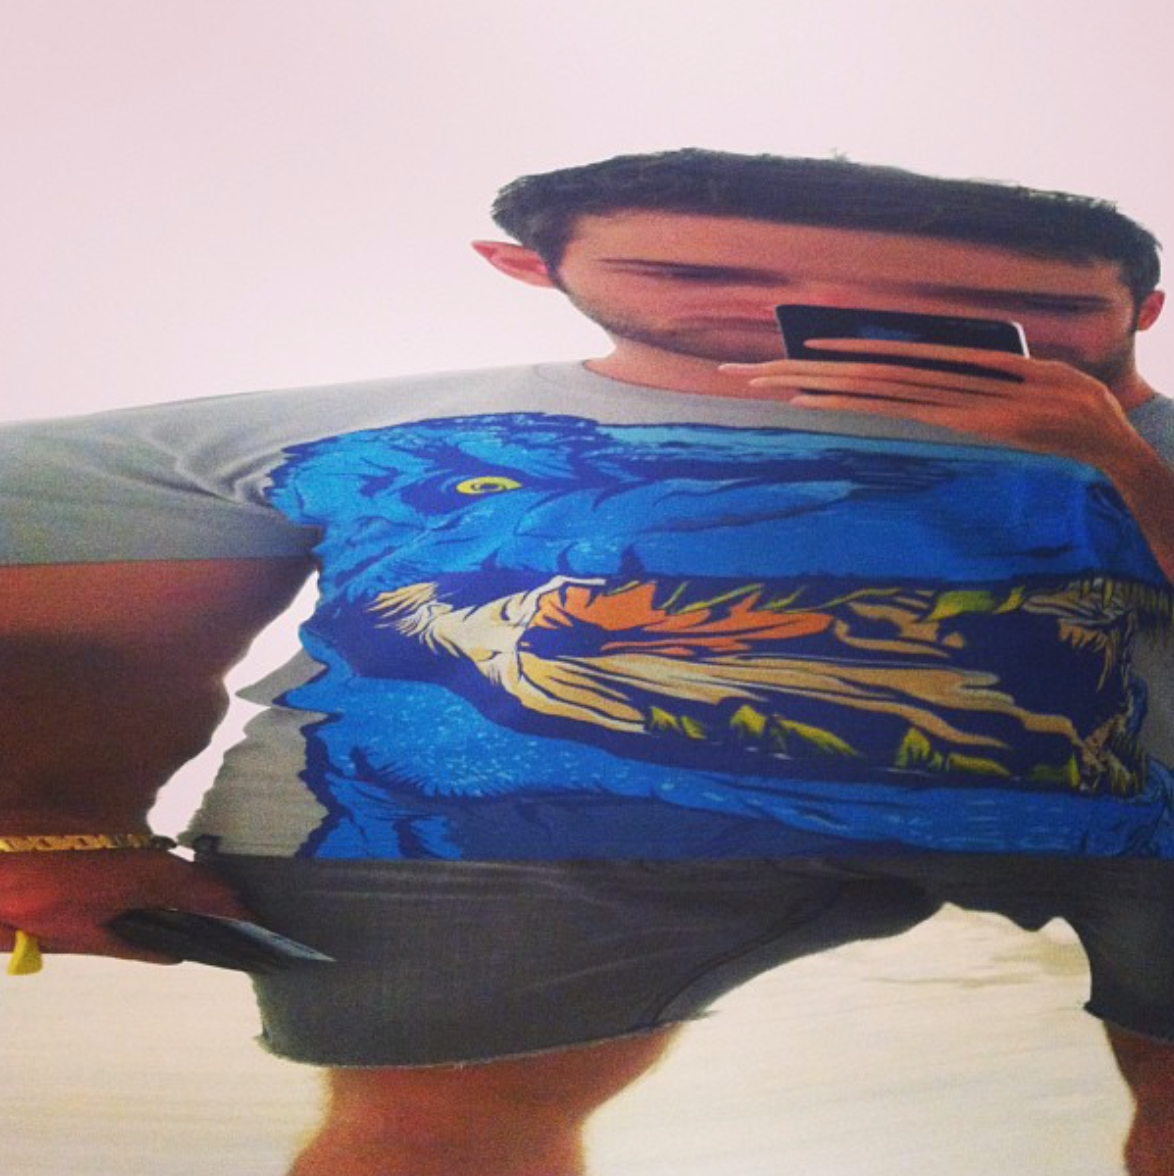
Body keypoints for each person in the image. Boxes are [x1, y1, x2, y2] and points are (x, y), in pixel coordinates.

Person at [2, 148, 1173, 1176]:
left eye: (1018, 303)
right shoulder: (330, 426)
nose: (833, 309)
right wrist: (47, 832)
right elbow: (85, 627)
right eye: (701, 276)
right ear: (525, 265)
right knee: (436, 1136)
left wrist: (1116, 453)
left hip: (1141, 821)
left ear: (1144, 308)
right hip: (477, 828)